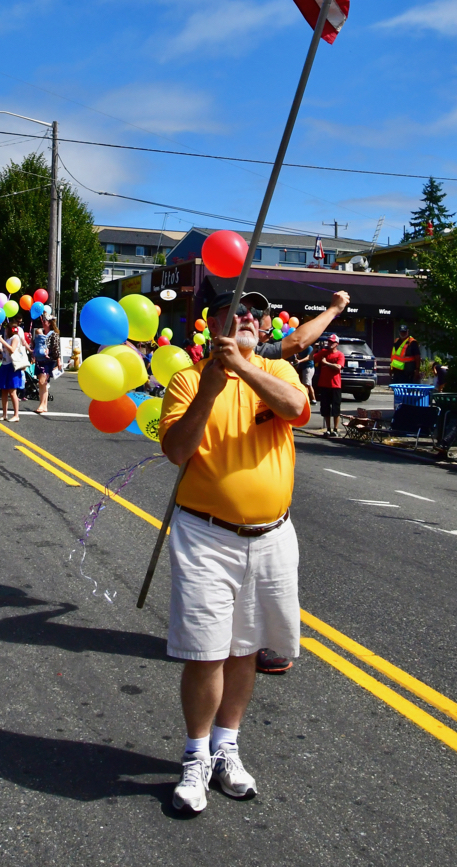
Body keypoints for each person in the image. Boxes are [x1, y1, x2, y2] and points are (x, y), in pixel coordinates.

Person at [158, 290, 310, 814]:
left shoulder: (276, 372)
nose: (248, 318)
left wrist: (244, 371)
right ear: (214, 323)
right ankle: (196, 757)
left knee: (246, 649)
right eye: (236, 312)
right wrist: (209, 388)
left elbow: (297, 410)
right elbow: (176, 450)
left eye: (255, 314)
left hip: (271, 536)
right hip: (207, 537)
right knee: (206, 651)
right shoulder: (187, 378)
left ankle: (227, 746)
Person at [314, 334, 345, 436]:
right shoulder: (323, 352)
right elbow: (312, 358)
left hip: (335, 385)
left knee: (336, 408)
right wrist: (314, 349)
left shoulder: (340, 355)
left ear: (337, 344)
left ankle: (335, 429)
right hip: (324, 385)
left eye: (332, 342)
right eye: (329, 341)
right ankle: (328, 429)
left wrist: (326, 363)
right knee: (325, 408)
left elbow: (338, 367)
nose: (330, 343)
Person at [0, 319, 26, 422]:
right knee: (4, 390)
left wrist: (2, 341)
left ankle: (16, 414)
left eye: (6, 329)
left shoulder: (15, 337)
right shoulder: (8, 338)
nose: (5, 331)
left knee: (12, 391)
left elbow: (12, 350)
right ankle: (4, 414)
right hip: (4, 365)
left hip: (12, 366)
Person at [32, 315, 62, 415]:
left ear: (49, 323)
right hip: (40, 360)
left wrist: (58, 360)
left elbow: (56, 348)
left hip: (49, 361)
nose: (43, 322)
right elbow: (35, 344)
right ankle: (43, 405)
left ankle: (42, 405)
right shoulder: (40, 333)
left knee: (42, 382)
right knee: (42, 383)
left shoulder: (54, 334)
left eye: (45, 320)